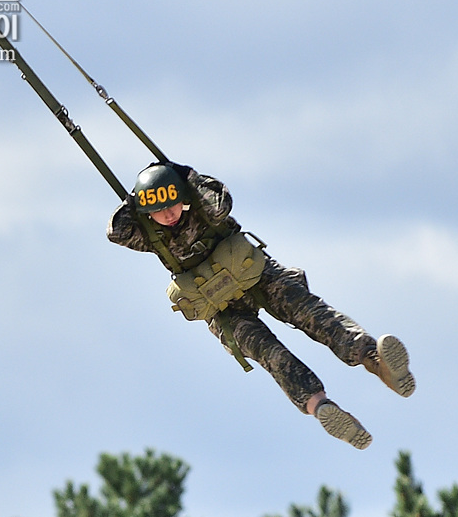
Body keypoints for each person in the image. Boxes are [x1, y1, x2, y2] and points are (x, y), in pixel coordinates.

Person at [107, 161, 414, 448]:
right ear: (147, 212)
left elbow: (222, 202)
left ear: (183, 197)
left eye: (172, 204)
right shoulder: (149, 235)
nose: (169, 214)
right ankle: (321, 407)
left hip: (257, 275)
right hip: (223, 309)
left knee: (309, 311)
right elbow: (116, 231)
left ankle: (376, 360)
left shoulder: (203, 208)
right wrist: (136, 199)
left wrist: (187, 177)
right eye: (159, 210)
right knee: (271, 354)